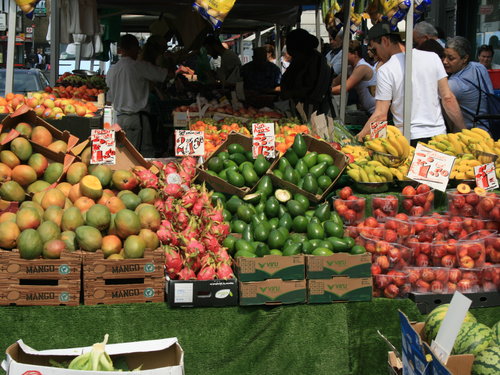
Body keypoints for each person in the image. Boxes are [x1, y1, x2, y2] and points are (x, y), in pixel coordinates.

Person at [358, 22, 465, 145]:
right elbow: (448, 98)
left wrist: (360, 138)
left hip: (408, 139)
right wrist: (464, 131)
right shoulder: (433, 57)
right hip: (439, 137)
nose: (375, 54)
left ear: (385, 41)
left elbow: (380, 115)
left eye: (374, 49)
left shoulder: (386, 70)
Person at [106, 34, 169, 158]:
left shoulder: (112, 70)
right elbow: (165, 75)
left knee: (121, 155)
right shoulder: (138, 66)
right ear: (133, 48)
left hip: (117, 119)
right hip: (135, 120)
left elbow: (109, 99)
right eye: (138, 48)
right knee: (140, 156)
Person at [443, 37, 494, 132]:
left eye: (451, 58)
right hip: (487, 129)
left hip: (470, 136)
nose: (445, 61)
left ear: (465, 58)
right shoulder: (479, 67)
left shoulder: (455, 84)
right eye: (444, 56)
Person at [280, 28, 333, 119]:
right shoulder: (303, 59)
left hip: (311, 111)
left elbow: (311, 88)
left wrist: (291, 93)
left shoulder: (314, 61)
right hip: (303, 108)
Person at [331, 40, 376, 114]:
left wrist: (326, 91)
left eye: (345, 54)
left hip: (376, 111)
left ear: (355, 53)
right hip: (368, 111)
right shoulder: (350, 68)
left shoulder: (362, 67)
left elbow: (343, 88)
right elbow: (335, 82)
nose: (342, 57)